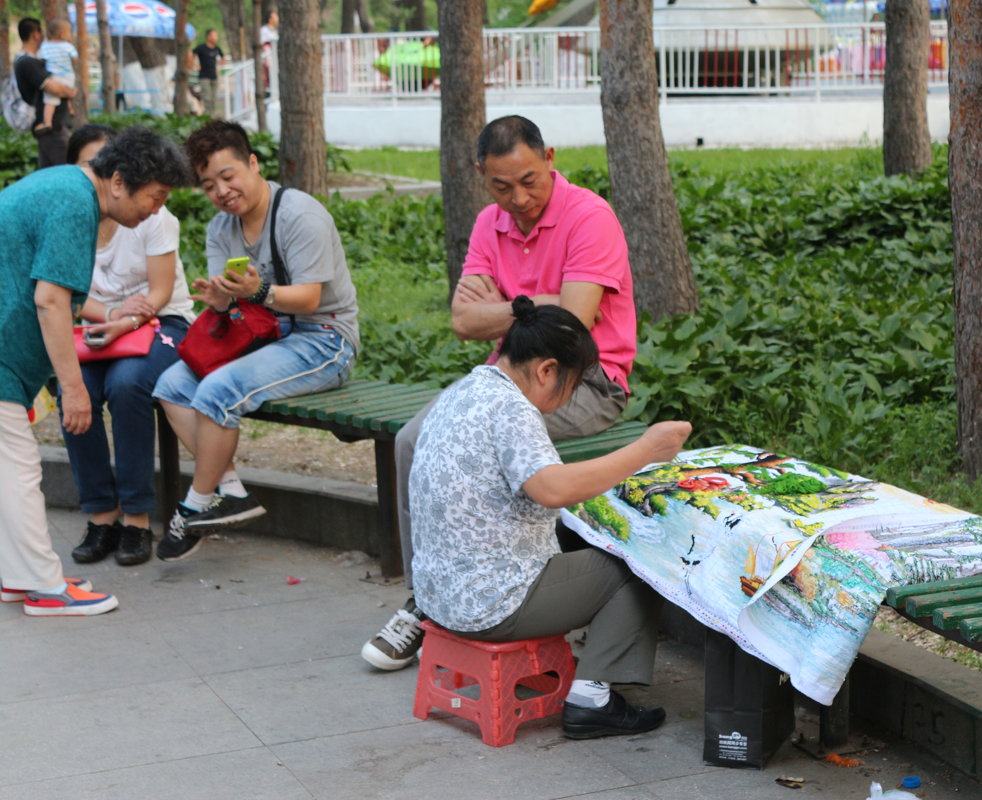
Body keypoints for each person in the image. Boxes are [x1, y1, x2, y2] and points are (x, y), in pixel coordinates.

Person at [361, 114, 637, 671]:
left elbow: (572, 325)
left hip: (584, 380)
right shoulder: (491, 222)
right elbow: (463, 322)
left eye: (529, 180)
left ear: (550, 158)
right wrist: (529, 306)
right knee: (414, 438)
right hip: (505, 378)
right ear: (482, 176)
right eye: (501, 186)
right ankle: (426, 599)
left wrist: (508, 304)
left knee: (484, 453)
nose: (518, 198)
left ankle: (512, 586)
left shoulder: (590, 216)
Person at [411, 296, 690, 738]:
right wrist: (646, 451)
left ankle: (581, 675)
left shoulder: (465, 390)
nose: (568, 397)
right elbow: (553, 488)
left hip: (438, 595)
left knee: (587, 543)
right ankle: (592, 700)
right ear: (546, 370)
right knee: (638, 559)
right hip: (490, 605)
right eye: (573, 384)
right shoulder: (513, 409)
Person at [0, 126, 190, 616]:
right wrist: (72, 388)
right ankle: (44, 588)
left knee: (9, 470)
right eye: (155, 196)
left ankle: (20, 577)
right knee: (19, 471)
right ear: (120, 180)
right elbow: (50, 300)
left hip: (8, 359)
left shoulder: (67, 187)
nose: (155, 209)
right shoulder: (74, 200)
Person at [152, 120, 359, 562]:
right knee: (171, 384)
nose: (222, 192)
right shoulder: (219, 230)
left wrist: (256, 293)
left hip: (324, 340)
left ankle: (194, 506)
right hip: (264, 336)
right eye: (209, 185)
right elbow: (234, 308)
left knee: (216, 391)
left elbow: (309, 298)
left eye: (228, 177)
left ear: (253, 163)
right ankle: (229, 489)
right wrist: (221, 302)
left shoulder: (299, 215)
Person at [61, 125, 196, 568]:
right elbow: (71, 295)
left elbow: (159, 292)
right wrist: (112, 318)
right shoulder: (73, 216)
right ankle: (102, 516)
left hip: (162, 321)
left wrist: (131, 318)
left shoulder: (152, 215)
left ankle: (137, 519)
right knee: (73, 384)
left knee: (129, 382)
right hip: (102, 326)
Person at [13, 17, 77, 168]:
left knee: (48, 174)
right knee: (66, 172)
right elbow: (54, 88)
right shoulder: (26, 62)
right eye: (42, 33)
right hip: (52, 130)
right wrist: (70, 92)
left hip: (52, 129)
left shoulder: (38, 59)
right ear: (36, 34)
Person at [34, 18, 77, 137]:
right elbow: (75, 58)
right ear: (63, 34)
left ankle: (47, 122)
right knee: (69, 93)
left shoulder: (45, 45)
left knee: (50, 102)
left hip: (54, 77)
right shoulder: (68, 46)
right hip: (68, 76)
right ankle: (70, 108)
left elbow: (42, 59)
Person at [192, 29, 224, 117]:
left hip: (214, 76)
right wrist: (195, 65)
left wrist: (219, 68)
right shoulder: (201, 47)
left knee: (213, 98)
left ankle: (212, 116)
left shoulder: (217, 48)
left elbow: (223, 57)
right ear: (208, 36)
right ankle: (207, 116)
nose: (216, 37)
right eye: (214, 35)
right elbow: (191, 54)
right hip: (204, 76)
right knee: (207, 98)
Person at [259, 11, 279, 93]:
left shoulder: (275, 31)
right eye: (275, 17)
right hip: (267, 60)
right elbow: (263, 44)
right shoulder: (264, 30)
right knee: (268, 79)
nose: (277, 19)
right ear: (270, 19)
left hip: (274, 60)